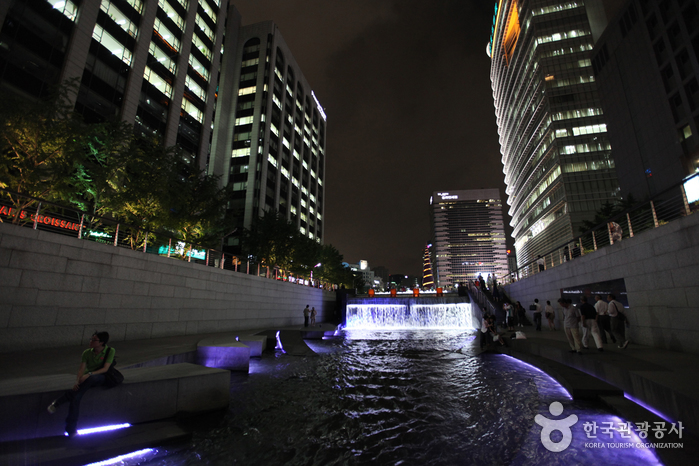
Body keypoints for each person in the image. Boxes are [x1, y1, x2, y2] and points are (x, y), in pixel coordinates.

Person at [47, 331, 115, 436]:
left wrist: (90, 374)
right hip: (87, 379)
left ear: (101, 342)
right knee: (76, 398)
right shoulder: (87, 352)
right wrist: (77, 381)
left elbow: (105, 369)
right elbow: (81, 369)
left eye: (94, 340)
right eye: (91, 339)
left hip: (101, 377)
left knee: (90, 380)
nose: (91, 341)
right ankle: (71, 429)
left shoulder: (110, 351)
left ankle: (59, 402)